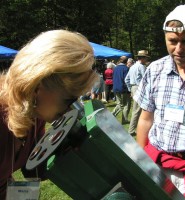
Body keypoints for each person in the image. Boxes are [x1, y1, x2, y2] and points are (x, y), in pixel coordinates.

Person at [0, 29, 98, 199]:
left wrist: (65, 151)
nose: (71, 110)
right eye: (69, 100)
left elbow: (33, 170)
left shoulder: (34, 114)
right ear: (37, 84)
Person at [134, 5, 185, 199]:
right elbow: (146, 119)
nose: (178, 49)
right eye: (172, 41)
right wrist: (141, 159)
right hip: (158, 164)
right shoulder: (155, 70)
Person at [125, 50, 149, 136]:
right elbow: (146, 79)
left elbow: (126, 79)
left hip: (133, 88)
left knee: (137, 109)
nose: (146, 60)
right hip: (139, 88)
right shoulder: (142, 67)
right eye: (146, 58)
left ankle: (137, 128)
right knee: (137, 110)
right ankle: (131, 130)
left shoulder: (132, 67)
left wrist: (130, 89)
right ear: (142, 58)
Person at [112, 56, 131, 124]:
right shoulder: (126, 68)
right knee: (124, 104)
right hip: (123, 89)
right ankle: (113, 115)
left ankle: (124, 119)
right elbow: (127, 80)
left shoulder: (115, 68)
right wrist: (129, 90)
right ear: (126, 61)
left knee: (120, 104)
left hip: (116, 88)